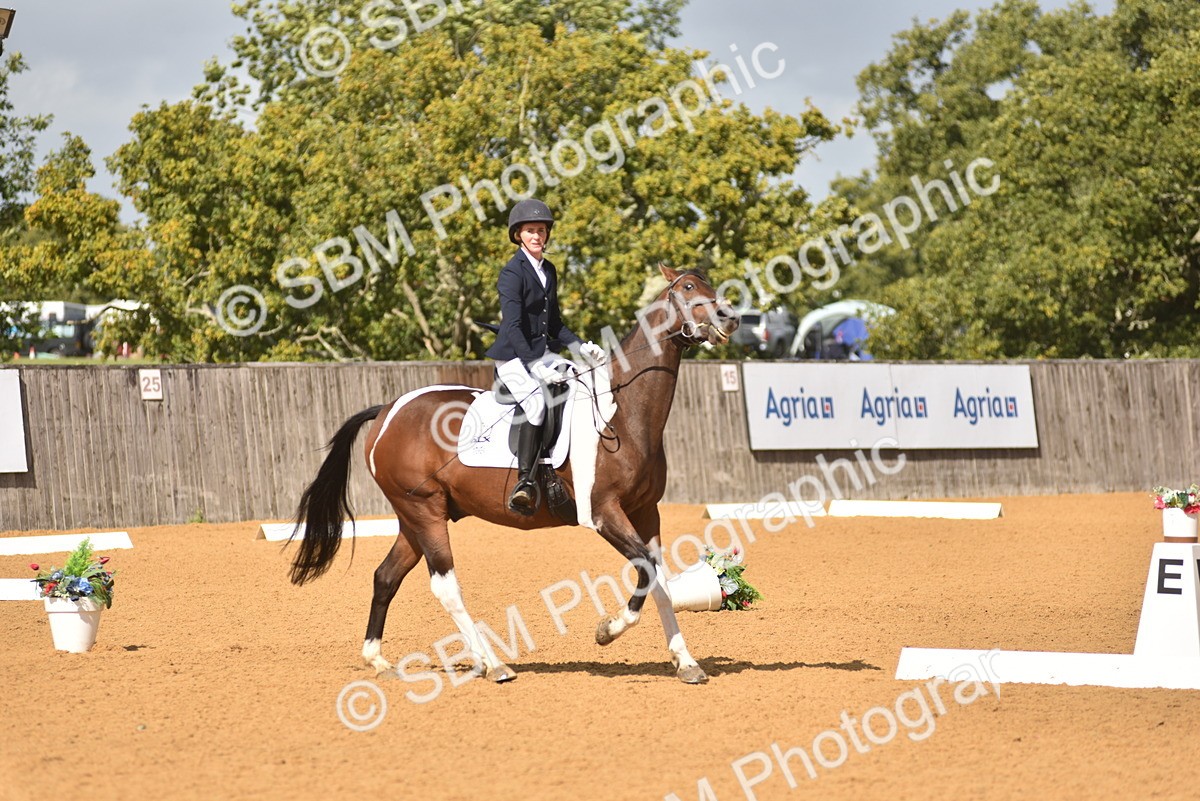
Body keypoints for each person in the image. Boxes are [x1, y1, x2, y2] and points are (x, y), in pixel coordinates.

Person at [485, 198, 606, 514]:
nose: (536, 236)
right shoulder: (512, 273)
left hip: (541, 352)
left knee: (580, 379)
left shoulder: (548, 270)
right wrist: (535, 365)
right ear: (518, 236)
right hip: (513, 356)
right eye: (530, 231)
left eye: (541, 230)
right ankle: (525, 482)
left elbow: (553, 324)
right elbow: (512, 327)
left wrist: (581, 347)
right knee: (537, 405)